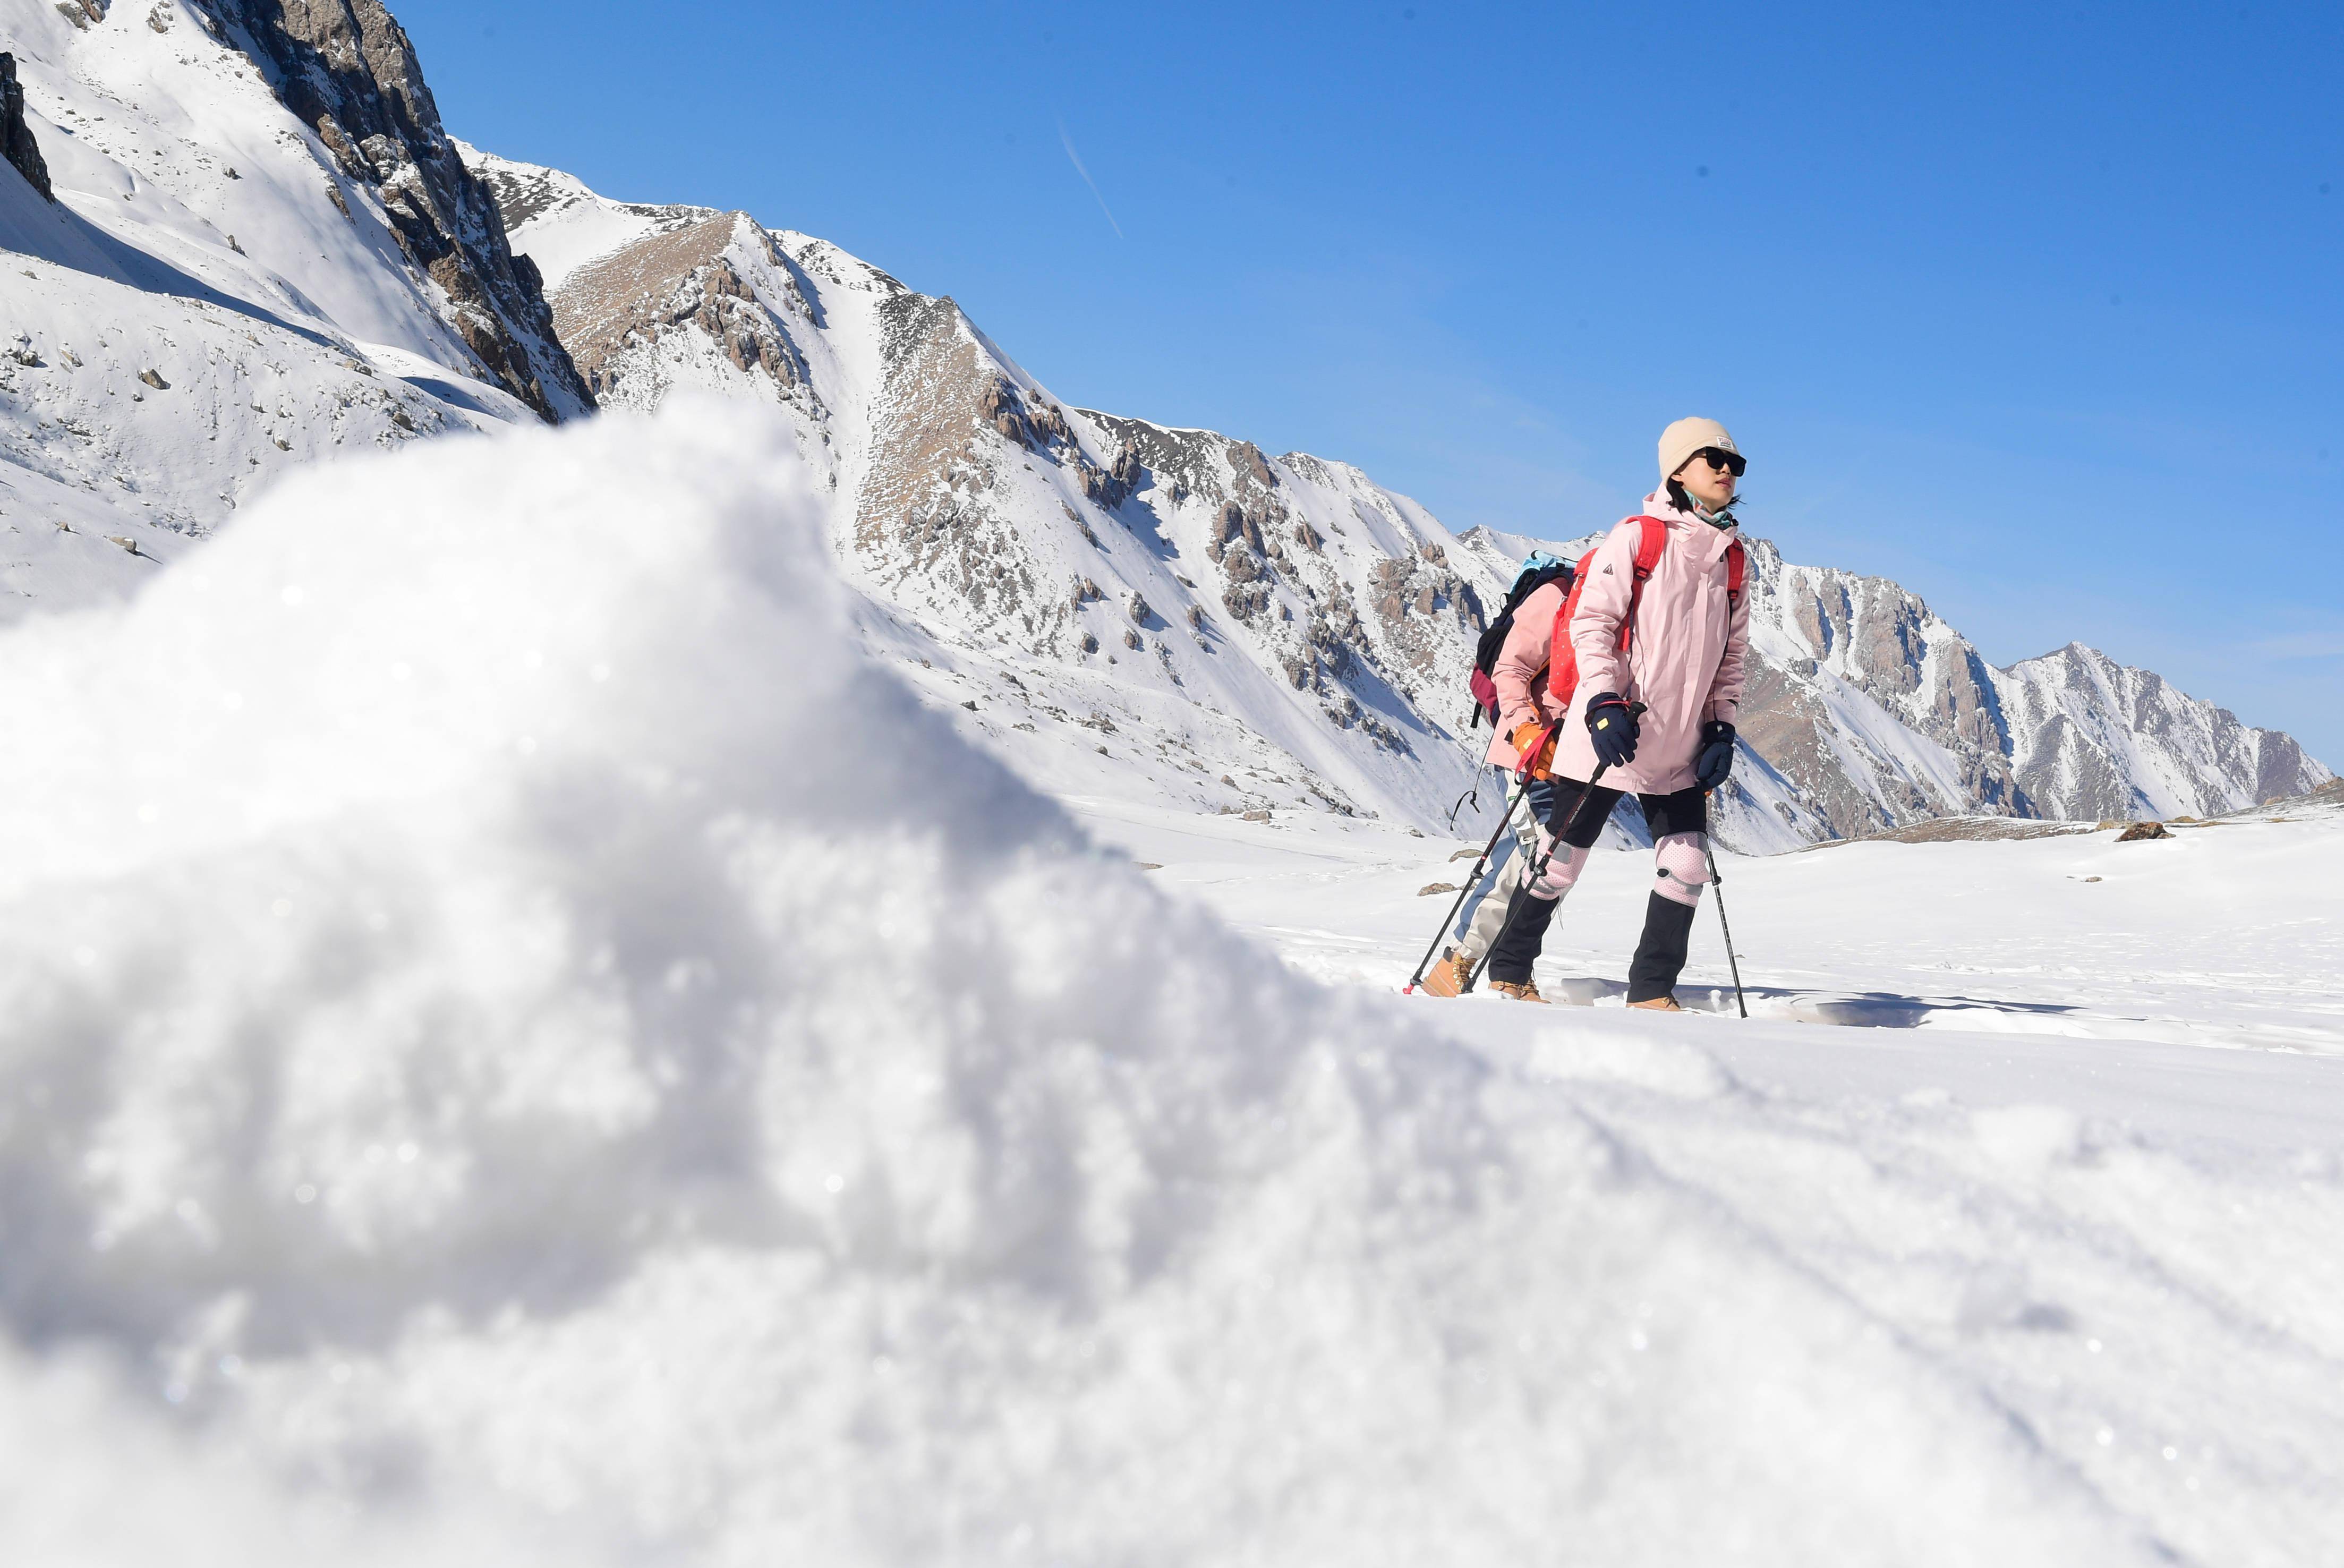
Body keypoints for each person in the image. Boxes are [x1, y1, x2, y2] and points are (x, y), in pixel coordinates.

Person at [1480, 416, 1751, 1008]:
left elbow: (1731, 657)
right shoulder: (1637, 537)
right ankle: (1509, 968)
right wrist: (1603, 702)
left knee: (1688, 864)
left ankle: (1651, 992)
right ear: (1678, 470)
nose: (1728, 470)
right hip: (1609, 733)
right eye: (1714, 459)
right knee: (1561, 861)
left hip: (1679, 746)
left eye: (1736, 463)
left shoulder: (1733, 563)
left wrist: (1722, 727)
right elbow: (1591, 624)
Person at [1419, 552, 1572, 997]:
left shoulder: (1617, 605)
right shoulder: (1559, 596)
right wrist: (1528, 733)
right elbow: (1511, 669)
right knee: (1525, 855)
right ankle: (1458, 961)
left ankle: (1507, 968)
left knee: (1548, 864)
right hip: (1532, 749)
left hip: (1567, 757)